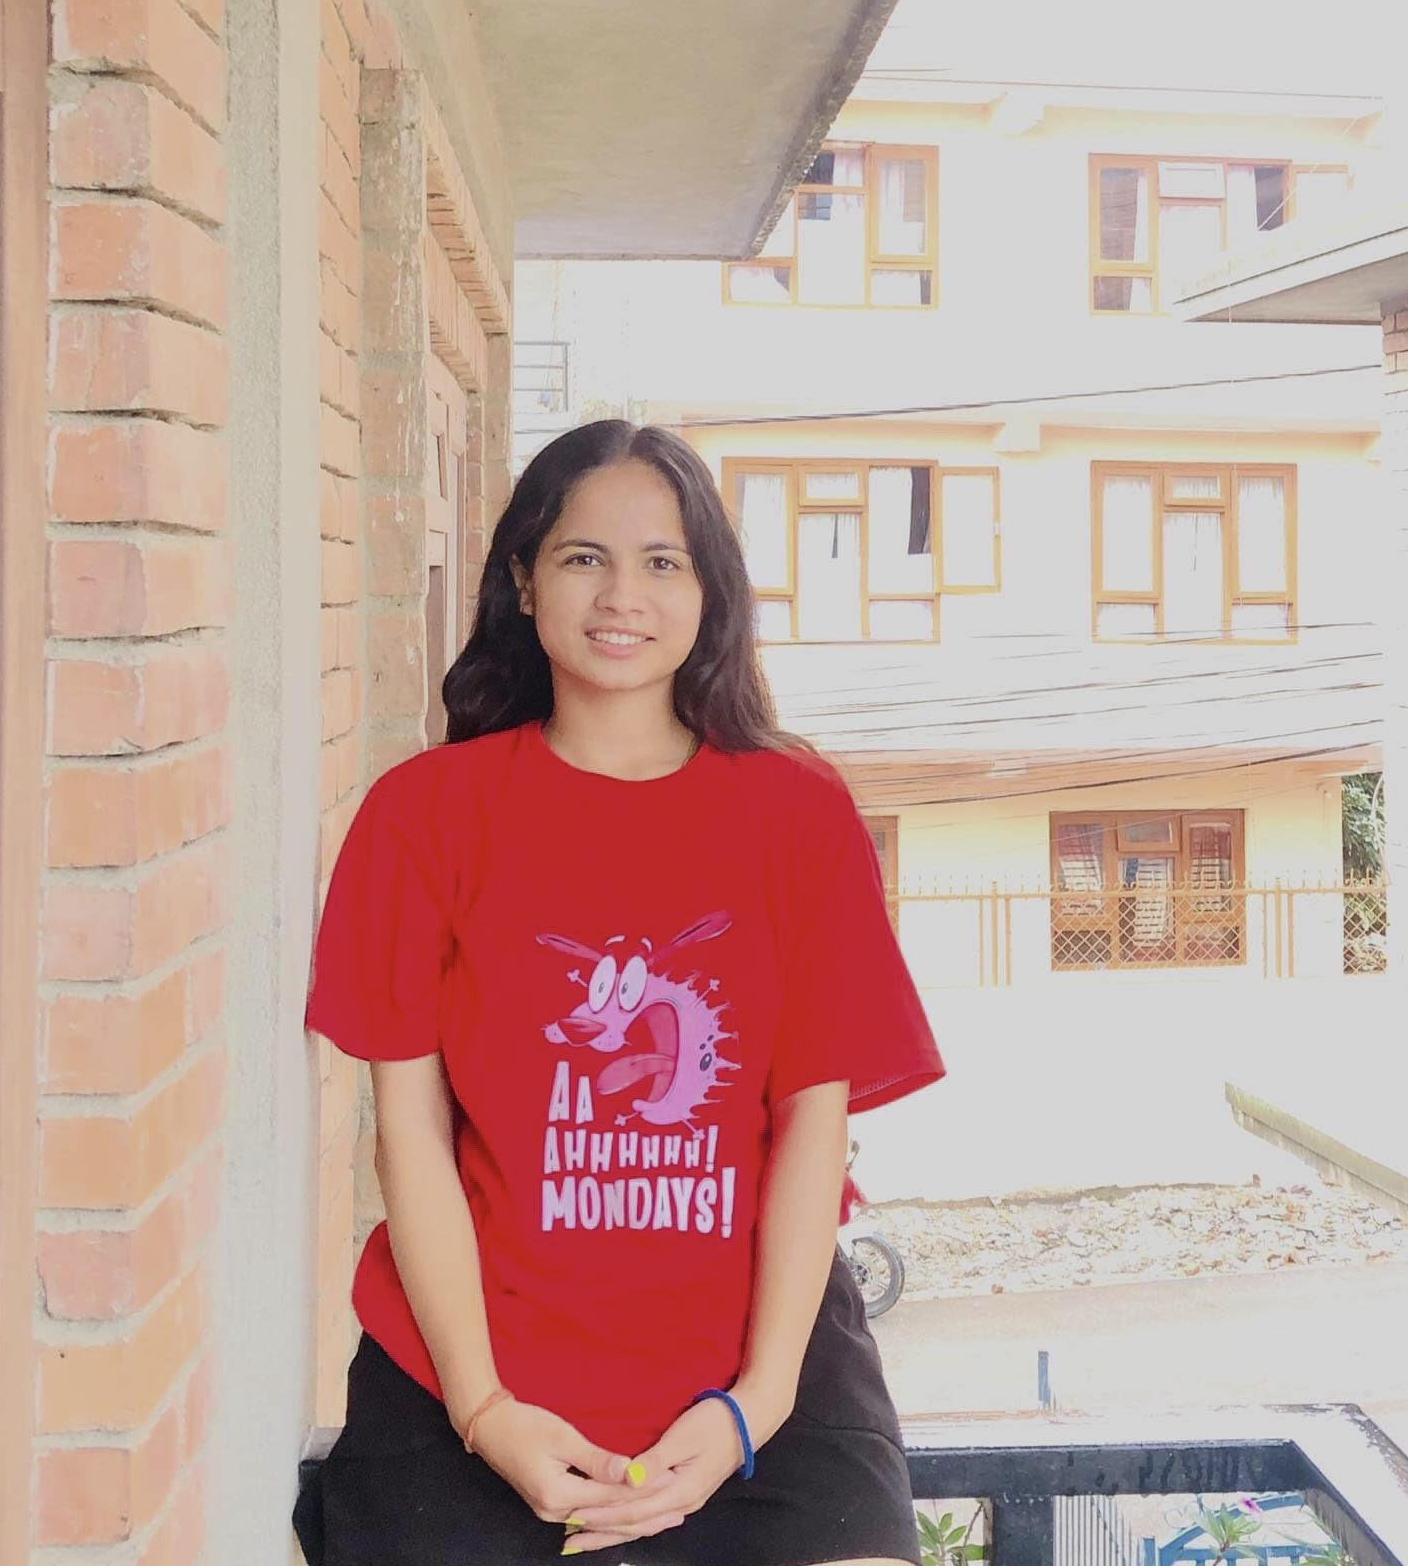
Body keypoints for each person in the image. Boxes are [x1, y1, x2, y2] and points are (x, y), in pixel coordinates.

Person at [295, 420, 944, 1566]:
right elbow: (411, 1132)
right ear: (522, 579)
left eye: (664, 560)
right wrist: (484, 1408)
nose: (621, 594)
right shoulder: (424, 816)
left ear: (710, 591)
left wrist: (757, 1401)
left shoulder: (796, 812)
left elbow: (812, 1123)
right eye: (583, 555)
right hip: (467, 1356)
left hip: (760, 1358)